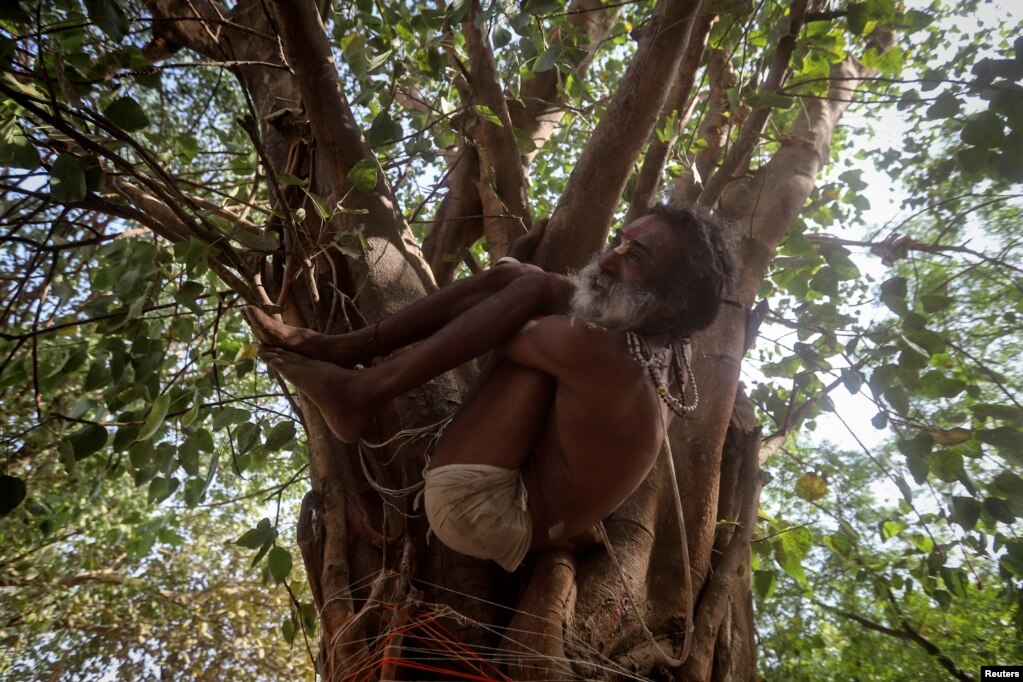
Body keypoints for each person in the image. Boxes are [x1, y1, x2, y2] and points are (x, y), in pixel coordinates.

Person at [246, 204, 737, 571]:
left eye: (637, 257)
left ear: (673, 301)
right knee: (525, 284)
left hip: (481, 510)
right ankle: (347, 349)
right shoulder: (674, 349)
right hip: (549, 506)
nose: (608, 259)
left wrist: (508, 276)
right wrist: (512, 273)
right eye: (619, 240)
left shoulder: (603, 356)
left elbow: (498, 326)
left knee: (523, 292)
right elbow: (537, 293)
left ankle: (361, 392)